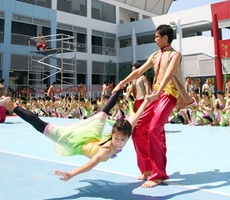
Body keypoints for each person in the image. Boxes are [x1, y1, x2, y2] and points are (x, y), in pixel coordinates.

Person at [0, 89, 150, 181]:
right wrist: (71, 174)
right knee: (43, 127)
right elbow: (90, 164)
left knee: (103, 114)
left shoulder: (125, 131)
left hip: (93, 137)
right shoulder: (106, 150)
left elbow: (135, 116)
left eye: (123, 140)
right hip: (75, 141)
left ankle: (118, 89)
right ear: (112, 134)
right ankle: (11, 105)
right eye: (116, 138)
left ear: (127, 137)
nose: (119, 142)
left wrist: (147, 101)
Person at [113, 24, 193, 188]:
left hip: (168, 94)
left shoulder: (175, 55)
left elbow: (169, 74)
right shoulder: (155, 55)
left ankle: (159, 174)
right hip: (155, 94)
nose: (155, 40)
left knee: (154, 129)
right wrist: (122, 83)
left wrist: (158, 92)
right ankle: (148, 168)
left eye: (157, 37)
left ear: (165, 38)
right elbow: (139, 71)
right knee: (136, 128)